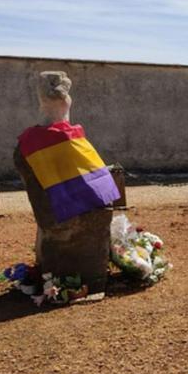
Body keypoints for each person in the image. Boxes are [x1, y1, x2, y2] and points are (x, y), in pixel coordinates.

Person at [14, 71, 120, 295]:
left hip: (51, 217)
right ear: (64, 98)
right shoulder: (65, 137)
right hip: (65, 217)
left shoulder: (28, 142)